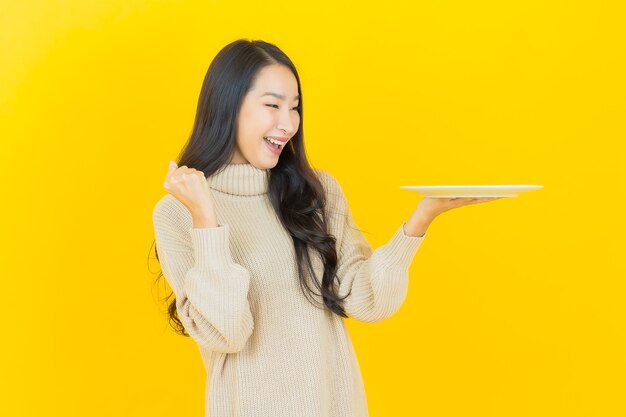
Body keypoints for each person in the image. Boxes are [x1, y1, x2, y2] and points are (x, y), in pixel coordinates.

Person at [151, 38, 500, 417]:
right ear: (228, 107)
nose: (288, 124)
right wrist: (207, 219)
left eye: (295, 108)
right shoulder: (178, 213)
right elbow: (228, 333)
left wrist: (421, 219)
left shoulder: (317, 191)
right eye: (272, 105)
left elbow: (367, 300)